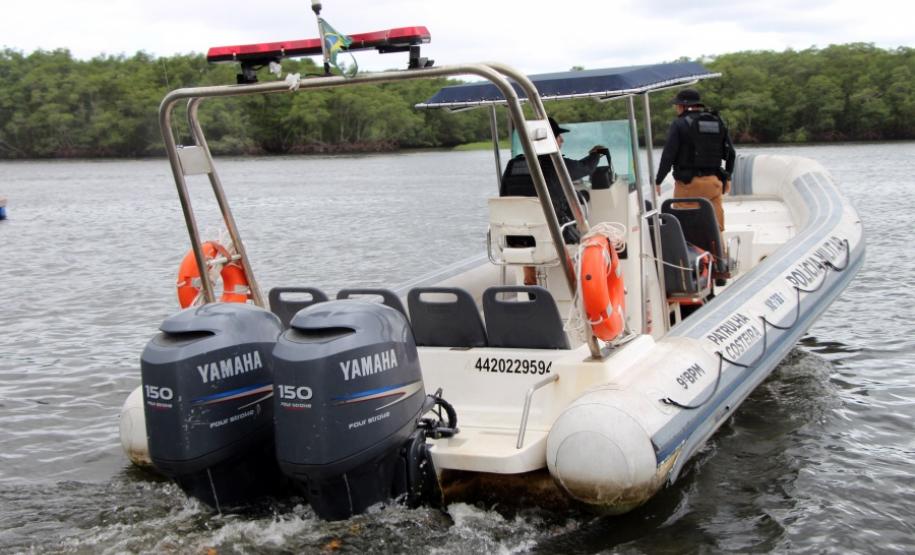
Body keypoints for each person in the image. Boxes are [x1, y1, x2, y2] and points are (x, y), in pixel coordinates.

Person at [500, 116, 608, 284]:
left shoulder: (513, 165)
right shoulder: (556, 164)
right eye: (558, 136)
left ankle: (531, 284)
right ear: (549, 140)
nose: (562, 140)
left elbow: (504, 197)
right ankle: (582, 285)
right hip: (551, 236)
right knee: (588, 229)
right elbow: (585, 168)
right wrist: (596, 154)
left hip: (516, 237)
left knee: (533, 227)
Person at [654, 89, 736, 231]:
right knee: (716, 229)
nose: (676, 109)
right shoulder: (717, 121)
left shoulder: (679, 124)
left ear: (682, 106)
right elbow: (731, 153)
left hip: (688, 186)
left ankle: (690, 251)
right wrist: (727, 177)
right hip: (714, 183)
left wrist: (658, 180)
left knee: (687, 228)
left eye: (677, 105)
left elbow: (668, 155)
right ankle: (719, 251)